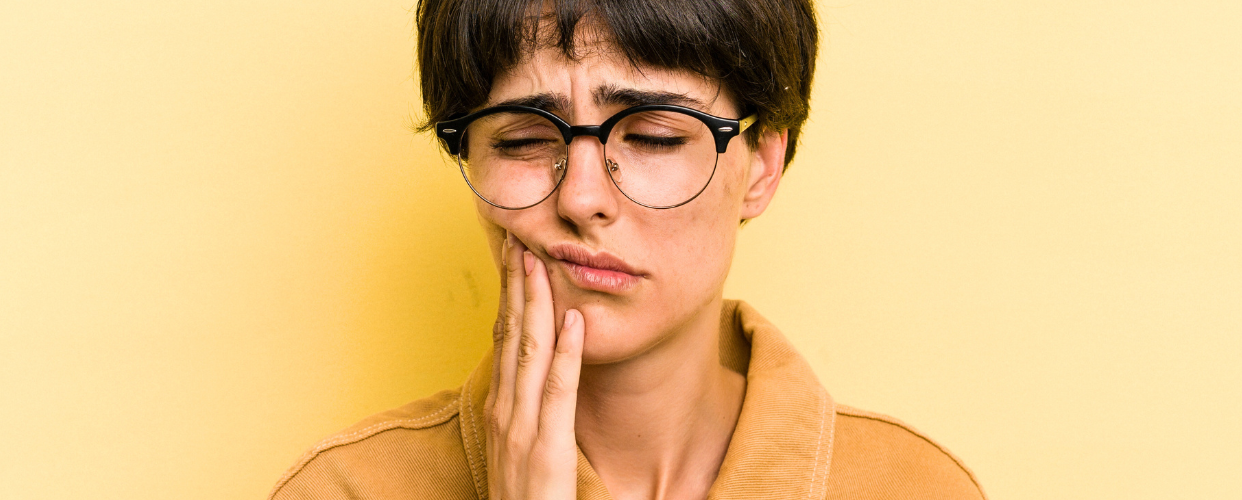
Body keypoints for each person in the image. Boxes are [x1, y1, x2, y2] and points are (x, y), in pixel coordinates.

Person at [272, 0, 984, 498]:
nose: (582, 197)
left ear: (763, 163)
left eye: (653, 136)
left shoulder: (916, 487)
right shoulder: (344, 490)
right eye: (522, 139)